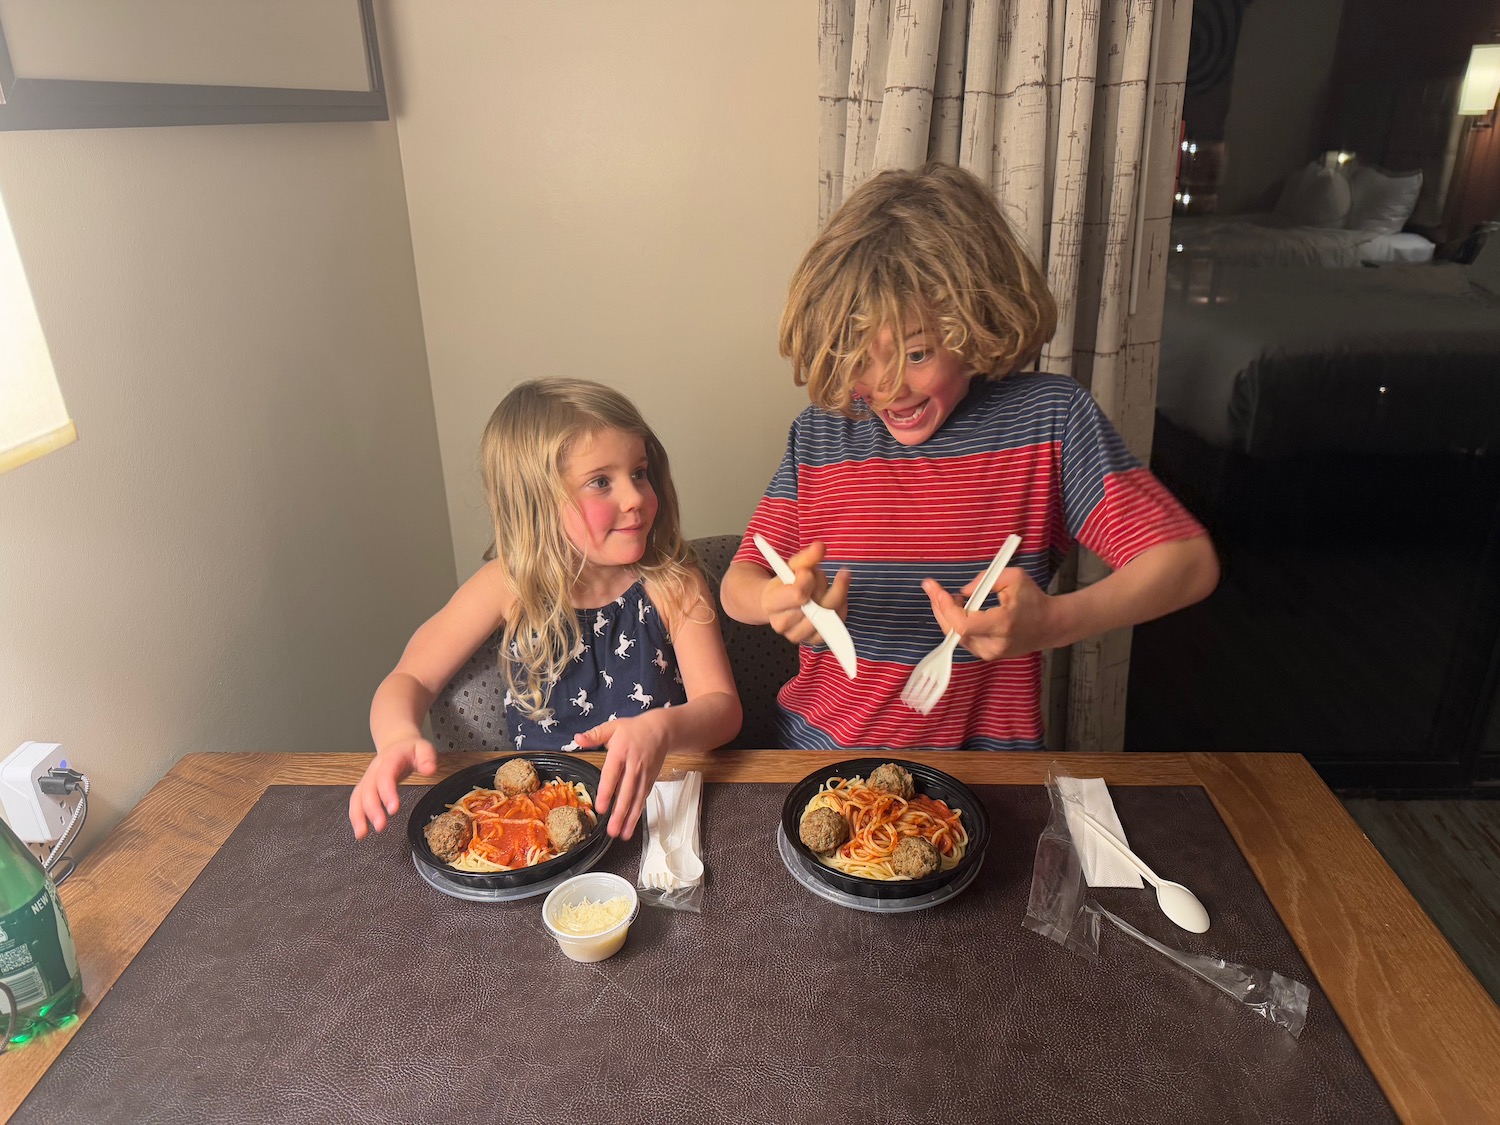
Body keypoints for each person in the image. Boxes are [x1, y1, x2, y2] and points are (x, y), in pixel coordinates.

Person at [719, 162, 1219, 752]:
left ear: (977, 325)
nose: (886, 386)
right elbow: (739, 581)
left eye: (918, 352)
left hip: (987, 777)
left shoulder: (1049, 424)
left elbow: (1186, 564)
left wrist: (1054, 623)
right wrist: (778, 600)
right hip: (817, 761)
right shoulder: (821, 436)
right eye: (860, 357)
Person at [349, 378, 741, 839]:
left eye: (639, 472)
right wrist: (396, 737)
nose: (635, 496)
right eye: (601, 482)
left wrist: (661, 729)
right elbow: (410, 677)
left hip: (663, 809)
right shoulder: (506, 586)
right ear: (537, 503)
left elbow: (724, 711)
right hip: (538, 826)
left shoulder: (674, 583)